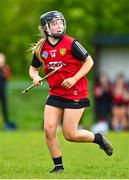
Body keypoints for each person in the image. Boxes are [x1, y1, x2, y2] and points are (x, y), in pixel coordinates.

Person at [29, 11, 113, 173]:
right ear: (46, 28)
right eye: (54, 23)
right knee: (49, 130)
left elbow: (89, 62)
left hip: (76, 93)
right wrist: (35, 77)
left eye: (60, 22)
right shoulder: (41, 48)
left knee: (70, 134)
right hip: (55, 93)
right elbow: (33, 69)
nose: (59, 25)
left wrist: (74, 78)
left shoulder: (71, 43)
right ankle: (58, 167)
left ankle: (98, 138)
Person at [0, 53, 16, 129]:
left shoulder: (5, 69)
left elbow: (7, 77)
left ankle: (6, 123)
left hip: (3, 91)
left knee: (4, 108)